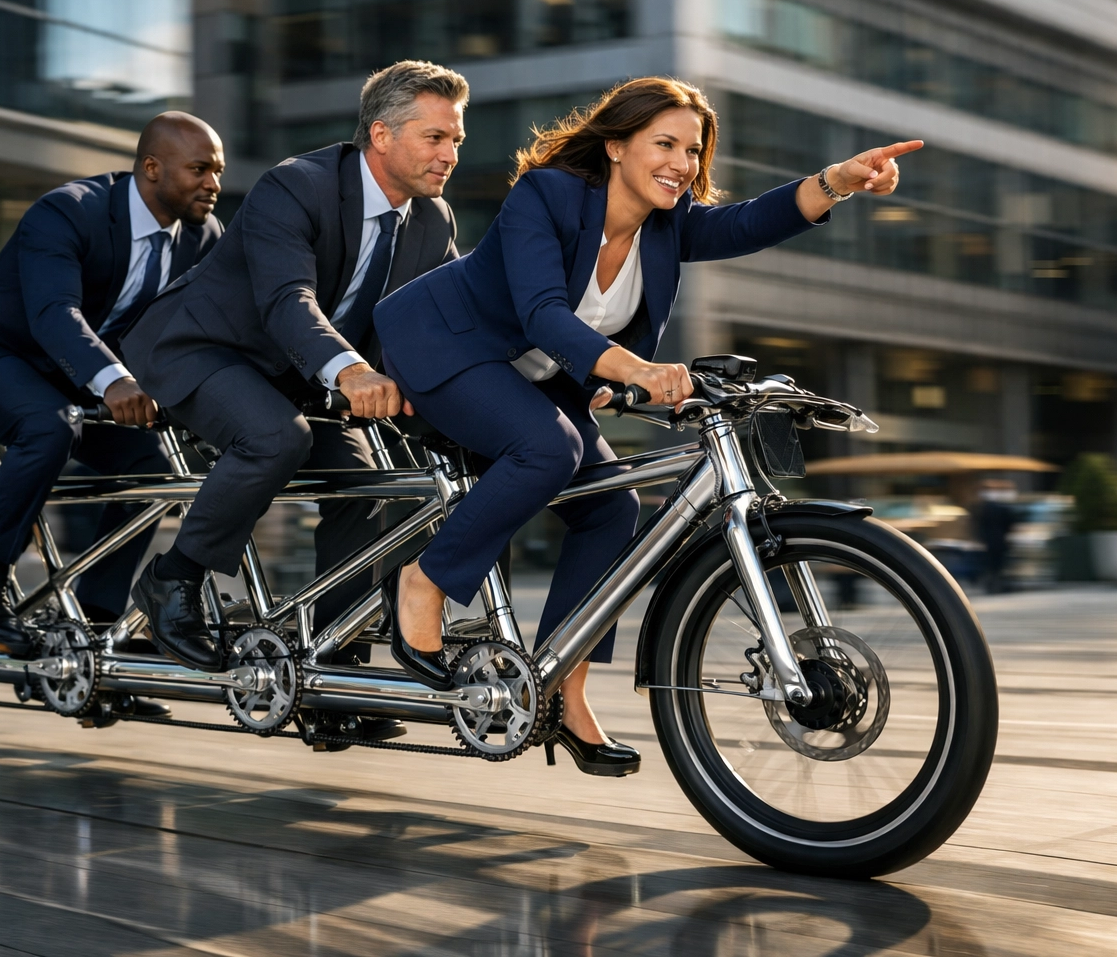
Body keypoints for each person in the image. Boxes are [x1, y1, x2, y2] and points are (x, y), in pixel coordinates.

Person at [375, 76, 922, 775]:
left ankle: (562, 694)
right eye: (664, 144)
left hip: (535, 374)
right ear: (615, 147)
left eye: (692, 150)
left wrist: (837, 181)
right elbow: (543, 311)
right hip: (446, 344)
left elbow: (747, 222)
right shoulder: (547, 196)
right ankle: (424, 582)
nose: (682, 163)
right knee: (548, 447)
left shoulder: (666, 226)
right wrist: (629, 367)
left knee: (613, 506)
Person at [120, 61, 467, 745]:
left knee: (377, 490)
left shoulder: (431, 219)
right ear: (381, 135)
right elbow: (288, 301)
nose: (450, 155)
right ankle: (172, 581)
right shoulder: (297, 185)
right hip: (206, 351)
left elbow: (452, 318)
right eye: (434, 138)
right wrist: (352, 372)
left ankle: (335, 670)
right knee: (278, 438)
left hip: (303, 376)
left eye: (455, 139)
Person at [0, 112, 225, 657]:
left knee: (153, 467)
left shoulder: (203, 235)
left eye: (218, 171)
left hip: (66, 376)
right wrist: (116, 381)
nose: (214, 184)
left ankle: (97, 623)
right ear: (151, 167)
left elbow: (204, 326)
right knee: (49, 427)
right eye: (200, 169)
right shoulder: (70, 210)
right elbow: (55, 313)